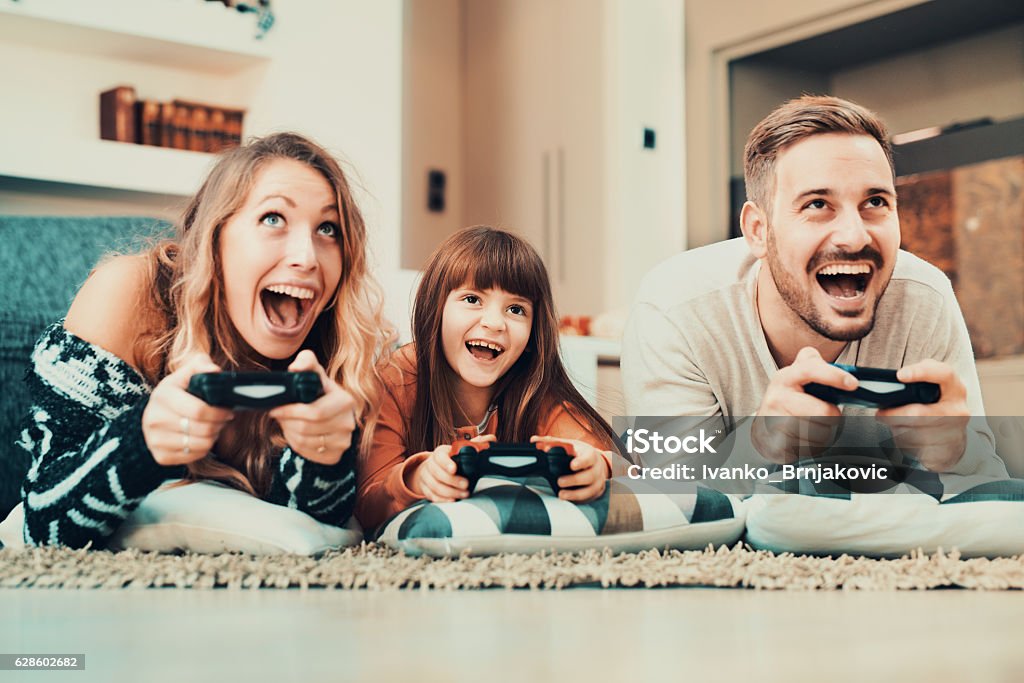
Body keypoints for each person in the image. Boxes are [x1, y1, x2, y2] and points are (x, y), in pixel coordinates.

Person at [18, 132, 393, 548]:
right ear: (214, 239)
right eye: (273, 219)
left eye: (328, 229)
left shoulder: (343, 348)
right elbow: (42, 526)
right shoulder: (128, 292)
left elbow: (313, 539)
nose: (307, 257)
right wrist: (140, 444)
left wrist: (322, 457)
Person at [622, 95, 1007, 477]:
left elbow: (991, 490)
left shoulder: (924, 298)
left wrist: (956, 453)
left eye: (875, 201)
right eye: (817, 204)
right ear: (758, 230)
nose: (855, 237)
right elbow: (672, 496)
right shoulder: (674, 309)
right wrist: (762, 446)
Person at [355, 226, 621, 532]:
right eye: (472, 299)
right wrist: (418, 477)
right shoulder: (397, 378)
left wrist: (600, 466)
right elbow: (366, 501)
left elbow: (637, 470)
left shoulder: (535, 388)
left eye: (516, 309)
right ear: (435, 309)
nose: (495, 323)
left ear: (534, 333)